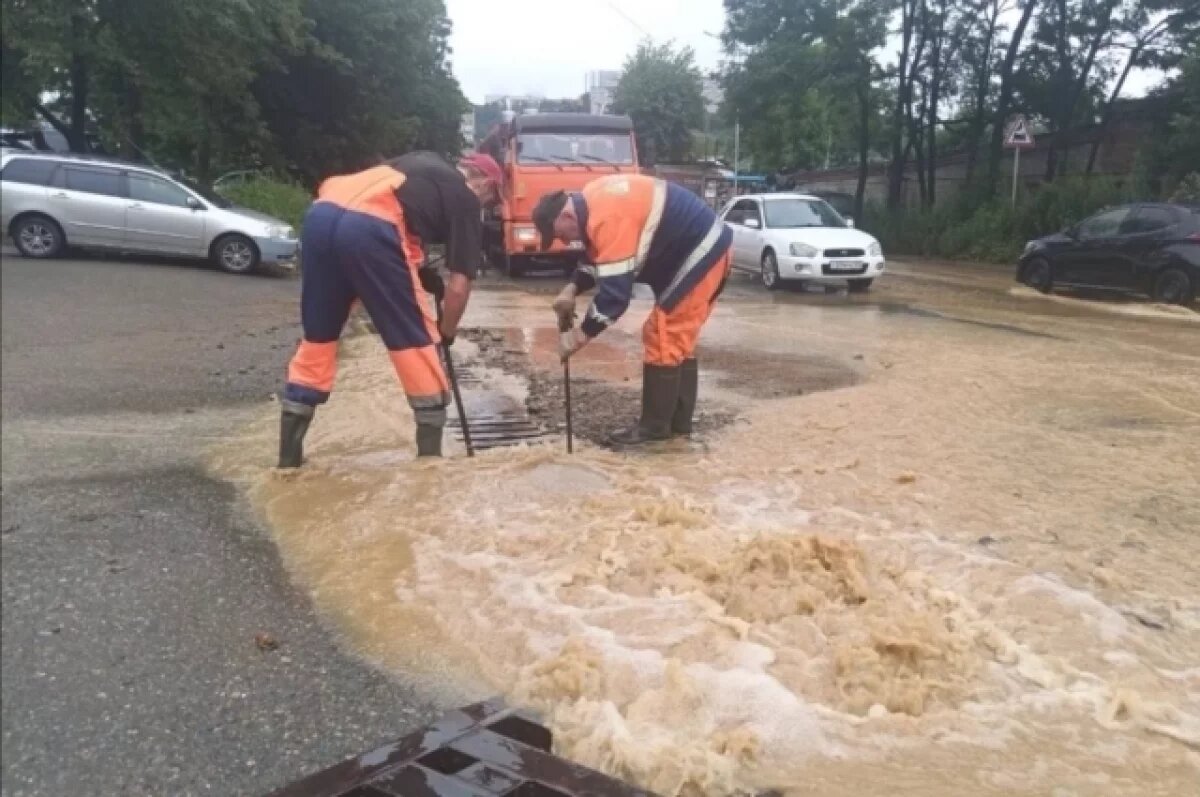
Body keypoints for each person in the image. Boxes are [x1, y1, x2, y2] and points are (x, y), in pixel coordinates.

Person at [277, 151, 503, 467]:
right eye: (491, 199)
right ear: (486, 183)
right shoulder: (465, 198)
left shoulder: (419, 165)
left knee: (319, 338)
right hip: (371, 227)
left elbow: (403, 223)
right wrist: (445, 334)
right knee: (416, 342)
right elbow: (459, 286)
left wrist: (419, 272)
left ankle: (288, 463)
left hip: (321, 215)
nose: (486, 206)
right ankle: (431, 467)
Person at [533, 174, 732, 447]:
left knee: (664, 333)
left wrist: (579, 337)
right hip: (700, 247)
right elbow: (598, 257)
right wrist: (572, 288)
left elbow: (615, 298)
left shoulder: (608, 218)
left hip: (702, 251)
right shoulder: (594, 199)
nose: (564, 242)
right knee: (676, 340)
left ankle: (655, 432)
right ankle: (677, 428)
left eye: (559, 235)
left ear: (567, 217)